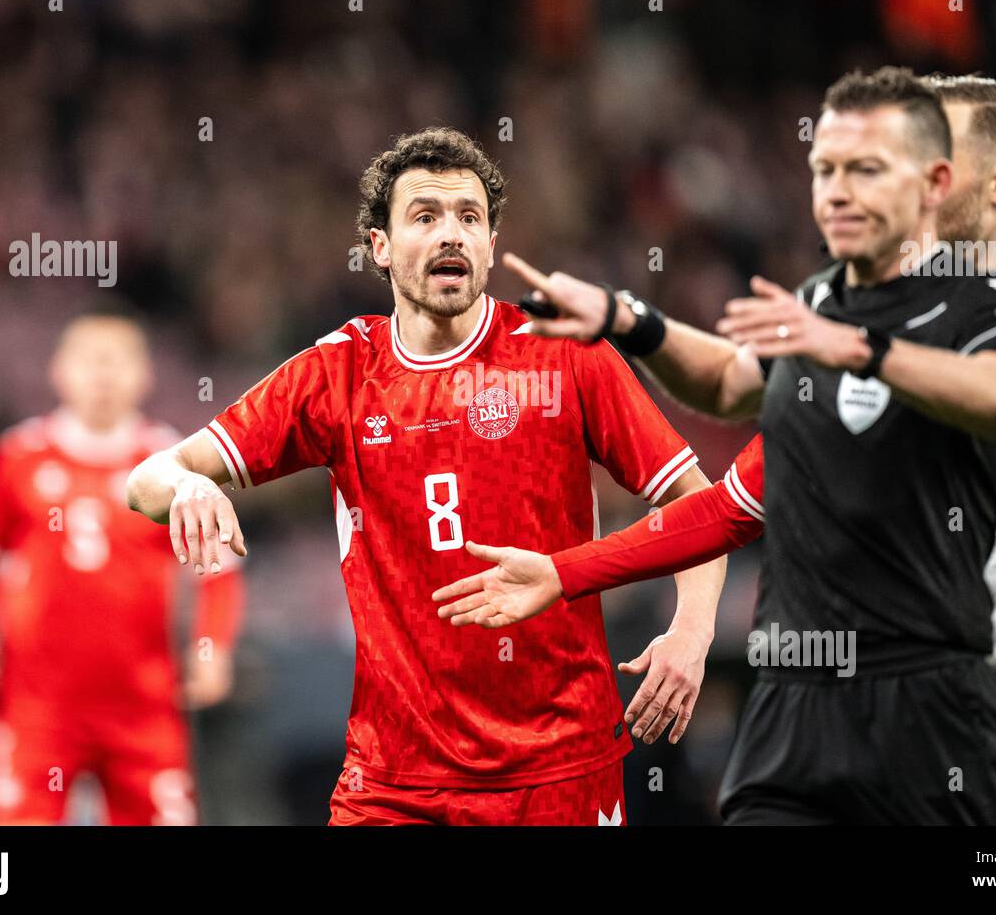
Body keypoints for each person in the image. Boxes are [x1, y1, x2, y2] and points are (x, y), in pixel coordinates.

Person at [435, 67, 996, 824]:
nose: (837, 192)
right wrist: (627, 322)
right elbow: (727, 476)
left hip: (931, 711)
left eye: (865, 170)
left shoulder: (981, 303)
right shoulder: (819, 301)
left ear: (933, 181)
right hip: (793, 713)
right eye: (824, 170)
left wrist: (859, 349)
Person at [125, 127, 727, 825]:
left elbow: (699, 505)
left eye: (470, 218)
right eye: (426, 216)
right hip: (394, 784)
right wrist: (192, 485)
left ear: (492, 246)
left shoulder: (563, 353)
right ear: (379, 247)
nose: (452, 234)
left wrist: (691, 632)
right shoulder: (339, 372)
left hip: (557, 768)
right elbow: (146, 479)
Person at [0, 305, 244, 825]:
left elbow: (219, 571)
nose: (104, 376)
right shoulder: (18, 455)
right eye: (90, 361)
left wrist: (214, 646)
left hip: (142, 701)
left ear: (145, 374)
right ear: (59, 370)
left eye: (119, 361)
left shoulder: (174, 464)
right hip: (37, 702)